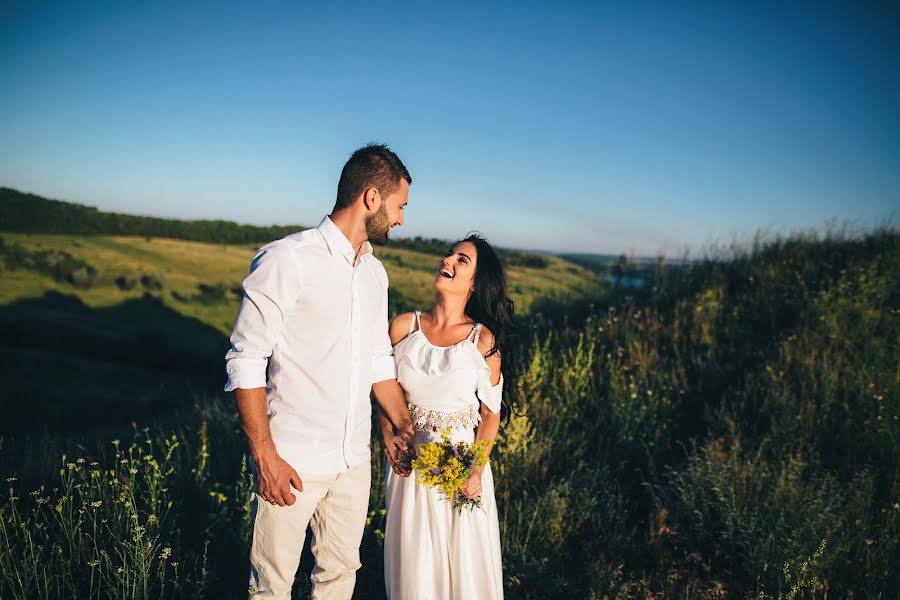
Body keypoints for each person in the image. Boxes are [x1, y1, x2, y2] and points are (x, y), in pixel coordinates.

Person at [224, 143, 415, 599]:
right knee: (271, 586)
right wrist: (265, 457)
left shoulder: (375, 274)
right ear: (371, 198)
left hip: (353, 462)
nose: (402, 220)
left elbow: (377, 362)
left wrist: (398, 425)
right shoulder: (287, 259)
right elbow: (245, 359)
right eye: (400, 206)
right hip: (292, 458)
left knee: (339, 576)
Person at [379, 234, 515, 599]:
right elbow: (382, 391)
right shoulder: (403, 327)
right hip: (409, 469)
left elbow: (490, 416)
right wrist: (387, 434)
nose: (449, 260)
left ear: (474, 284)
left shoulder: (481, 342)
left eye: (462, 260)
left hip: (461, 469)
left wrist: (475, 471)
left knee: (463, 569)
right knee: (416, 566)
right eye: (450, 254)